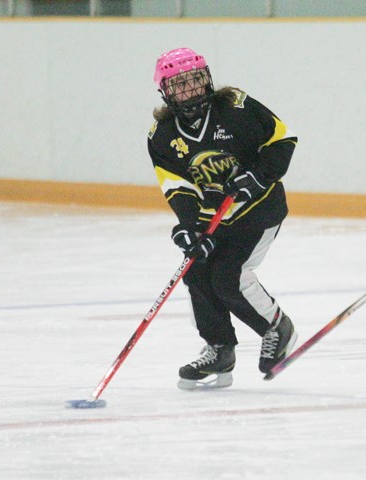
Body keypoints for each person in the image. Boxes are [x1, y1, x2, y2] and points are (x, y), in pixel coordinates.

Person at [147, 47, 298, 389]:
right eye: (180, 84)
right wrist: (189, 229)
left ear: (208, 79)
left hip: (259, 210)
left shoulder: (236, 108)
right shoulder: (163, 135)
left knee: (229, 276)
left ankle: (276, 327)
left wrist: (258, 175)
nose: (192, 89)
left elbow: (282, 140)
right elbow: (177, 186)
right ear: (166, 92)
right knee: (197, 270)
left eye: (196, 80)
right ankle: (219, 349)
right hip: (215, 217)